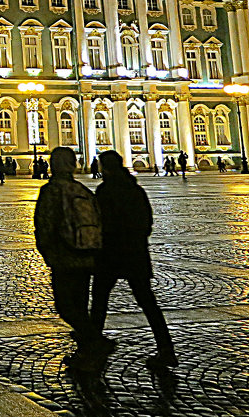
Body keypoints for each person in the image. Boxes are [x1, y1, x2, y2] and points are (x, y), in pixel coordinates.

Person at [90, 150, 177, 369]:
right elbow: (147, 222)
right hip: (136, 254)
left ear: (105, 168)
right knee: (148, 303)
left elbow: (99, 223)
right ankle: (166, 348)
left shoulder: (105, 191)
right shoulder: (136, 190)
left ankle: (91, 347)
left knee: (99, 302)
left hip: (110, 255)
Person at [33, 146, 112, 373]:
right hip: (86, 256)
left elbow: (44, 225)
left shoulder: (52, 191)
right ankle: (86, 350)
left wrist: (47, 253)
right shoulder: (82, 190)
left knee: (65, 306)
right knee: (80, 304)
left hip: (64, 257)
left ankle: (94, 342)